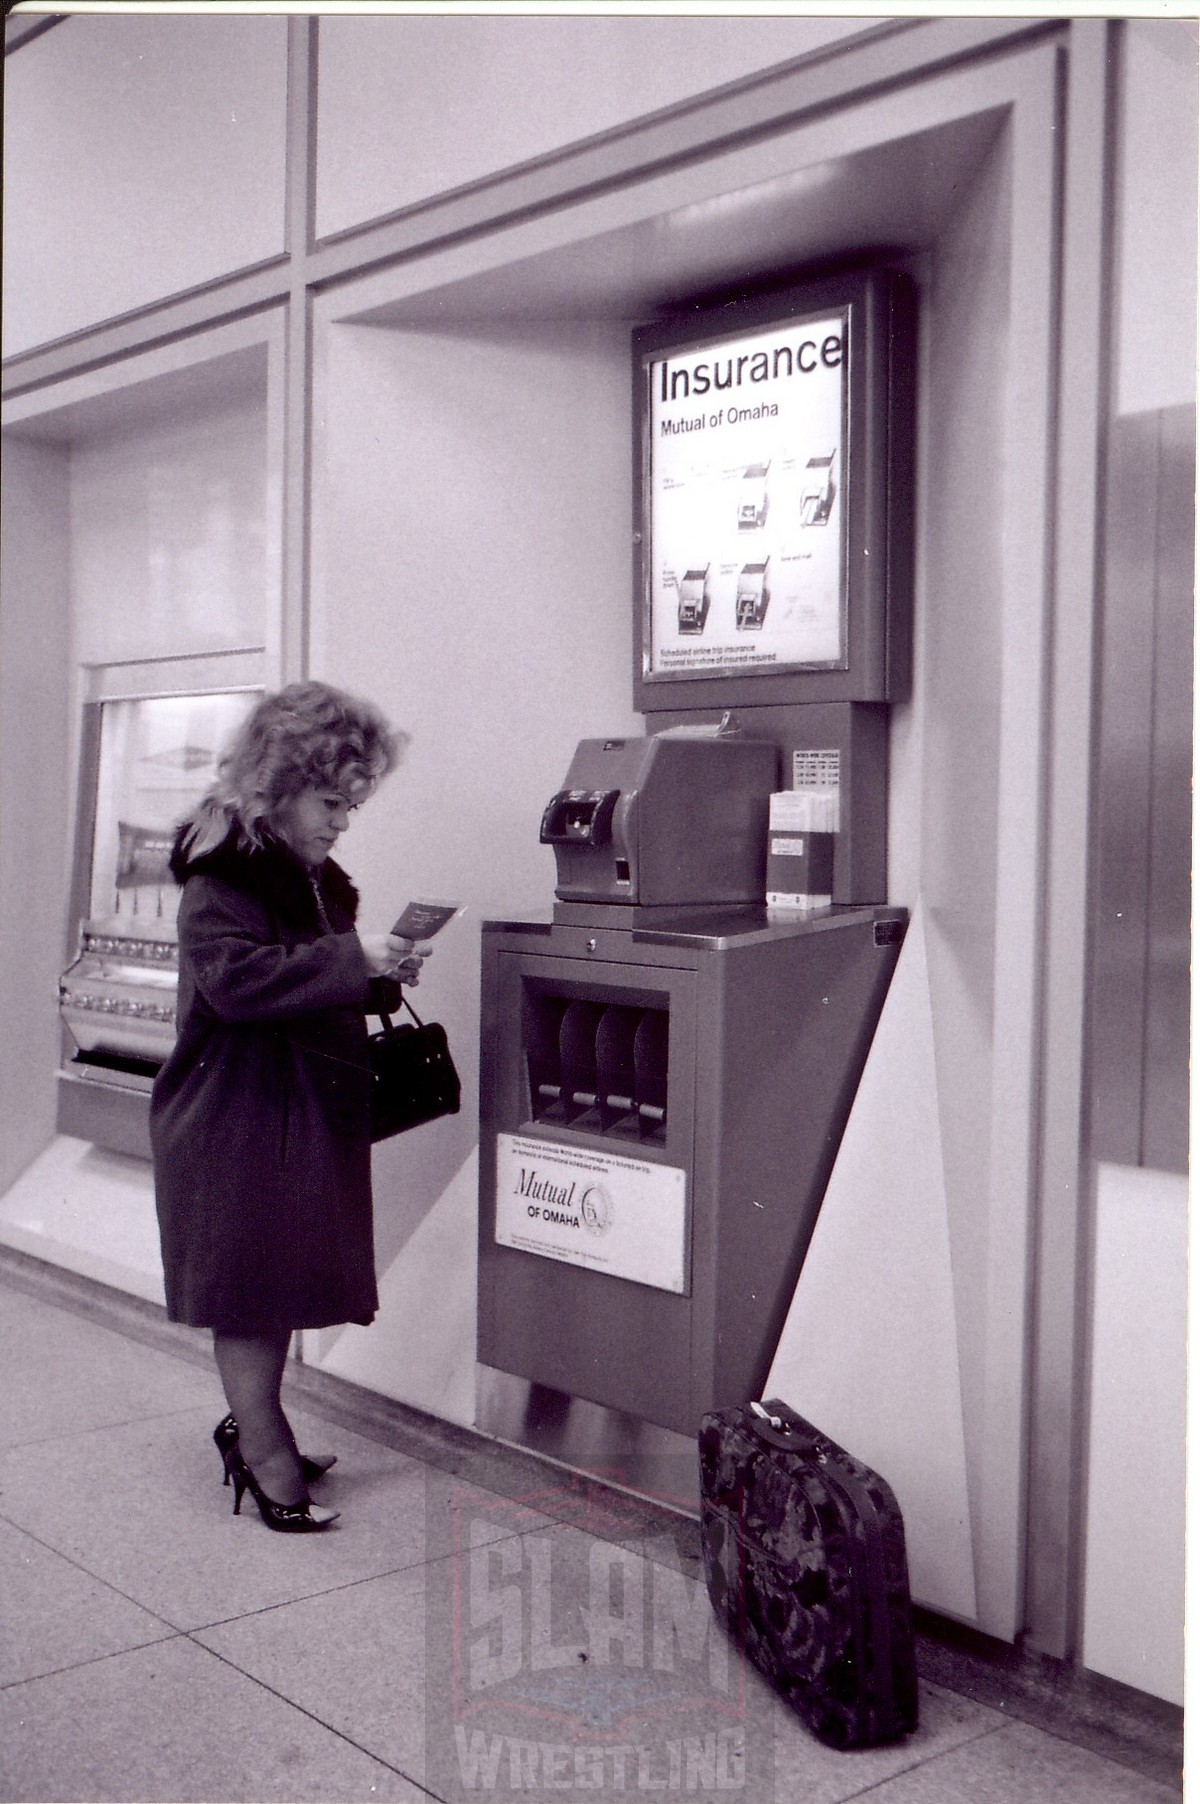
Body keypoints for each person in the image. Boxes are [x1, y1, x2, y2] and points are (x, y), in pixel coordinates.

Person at [150, 681, 429, 1533]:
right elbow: (235, 984)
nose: (344, 820)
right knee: (250, 1294)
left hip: (284, 1112)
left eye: (353, 803)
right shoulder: (222, 874)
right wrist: (351, 960)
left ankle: (258, 1426)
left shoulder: (301, 871)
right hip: (233, 1117)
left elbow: (296, 974)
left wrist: (374, 973)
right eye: (331, 801)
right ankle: (264, 1454)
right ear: (277, 786)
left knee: (272, 1283)